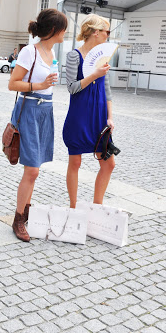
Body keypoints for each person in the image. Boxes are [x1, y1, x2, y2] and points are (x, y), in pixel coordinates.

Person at [8, 9, 68, 242]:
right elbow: (13, 84)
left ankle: (26, 211)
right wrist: (40, 83)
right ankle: (18, 218)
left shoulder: (51, 51)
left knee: (36, 168)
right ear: (53, 30)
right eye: (63, 28)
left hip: (46, 109)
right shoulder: (29, 51)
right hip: (30, 109)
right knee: (32, 169)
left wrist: (46, 84)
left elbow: (48, 85)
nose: (66, 32)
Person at [63, 14, 115, 208]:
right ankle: (73, 207)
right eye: (106, 31)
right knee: (75, 162)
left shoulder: (103, 57)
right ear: (95, 32)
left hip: (100, 117)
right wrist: (94, 74)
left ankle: (97, 206)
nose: (107, 35)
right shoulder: (74, 55)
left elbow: (107, 90)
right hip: (79, 116)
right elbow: (71, 88)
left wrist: (110, 116)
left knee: (109, 164)